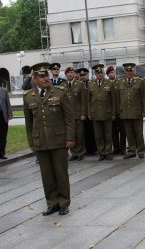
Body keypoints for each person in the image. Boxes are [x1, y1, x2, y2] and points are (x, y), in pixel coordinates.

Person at [23, 62, 75, 216]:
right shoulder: (28, 97)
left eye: (46, 75)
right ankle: (52, 203)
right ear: (34, 78)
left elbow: (69, 118)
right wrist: (32, 142)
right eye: (41, 76)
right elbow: (29, 123)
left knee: (61, 173)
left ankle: (64, 203)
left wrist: (70, 138)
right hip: (40, 141)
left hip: (59, 140)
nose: (45, 78)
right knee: (47, 175)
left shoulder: (60, 92)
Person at [115, 63, 145, 159]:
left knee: (139, 133)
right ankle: (132, 151)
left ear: (133, 71)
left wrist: (144, 110)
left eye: (131, 71)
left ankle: (141, 151)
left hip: (137, 112)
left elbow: (143, 97)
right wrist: (119, 110)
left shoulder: (140, 81)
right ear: (124, 72)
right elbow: (118, 98)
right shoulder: (120, 82)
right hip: (125, 112)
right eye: (127, 71)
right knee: (129, 133)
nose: (129, 73)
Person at [87, 64, 115, 161]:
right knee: (98, 135)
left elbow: (113, 100)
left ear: (103, 74)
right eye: (97, 73)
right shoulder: (91, 84)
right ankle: (101, 152)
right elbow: (88, 100)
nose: (99, 75)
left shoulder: (109, 83)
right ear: (95, 74)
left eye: (101, 73)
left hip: (107, 113)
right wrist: (89, 113)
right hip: (95, 114)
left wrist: (113, 113)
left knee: (108, 134)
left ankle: (108, 152)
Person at [64, 67, 87, 161]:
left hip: (78, 114)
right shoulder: (63, 85)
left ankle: (80, 152)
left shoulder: (80, 84)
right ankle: (73, 153)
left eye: (71, 72)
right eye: (68, 73)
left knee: (79, 134)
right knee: (71, 134)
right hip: (67, 115)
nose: (70, 74)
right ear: (66, 74)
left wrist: (83, 113)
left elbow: (84, 100)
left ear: (74, 74)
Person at [106, 66, 126, 155]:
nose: (112, 74)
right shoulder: (106, 84)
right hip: (111, 112)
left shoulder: (120, 82)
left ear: (115, 73)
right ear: (107, 75)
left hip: (120, 111)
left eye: (113, 72)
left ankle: (123, 148)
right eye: (110, 73)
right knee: (113, 131)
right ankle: (116, 148)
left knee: (122, 131)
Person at [0, 85, 12, 159]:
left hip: (2, 116)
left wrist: (9, 115)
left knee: (3, 135)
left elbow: (8, 103)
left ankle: (2, 153)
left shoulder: (4, 91)